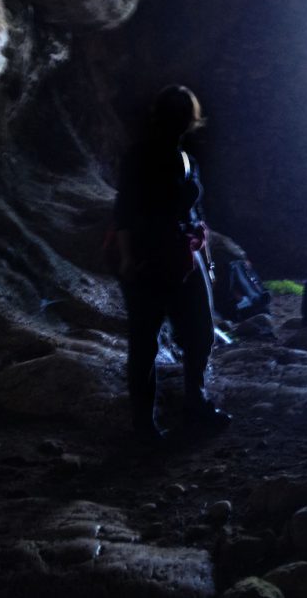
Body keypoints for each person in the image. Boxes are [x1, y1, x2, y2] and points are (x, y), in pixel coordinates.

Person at [114, 85, 231, 440]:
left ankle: (194, 402)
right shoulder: (140, 157)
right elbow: (124, 211)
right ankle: (144, 425)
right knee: (145, 342)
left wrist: (205, 257)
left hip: (182, 255)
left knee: (199, 332)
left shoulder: (186, 160)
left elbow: (195, 214)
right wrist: (127, 257)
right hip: (148, 257)